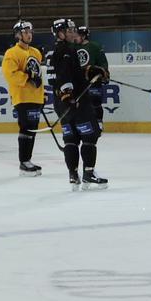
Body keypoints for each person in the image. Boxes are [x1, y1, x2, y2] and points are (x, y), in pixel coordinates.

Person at [50, 19, 107, 189]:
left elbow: (72, 72)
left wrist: (90, 71)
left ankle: (73, 175)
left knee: (71, 138)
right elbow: (64, 75)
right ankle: (88, 173)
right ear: (60, 33)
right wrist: (68, 95)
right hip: (75, 102)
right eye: (68, 30)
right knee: (90, 135)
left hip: (62, 103)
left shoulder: (59, 51)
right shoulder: (66, 51)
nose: (72, 32)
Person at [1, 20, 44, 176]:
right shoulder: (11, 53)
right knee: (26, 129)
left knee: (32, 130)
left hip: (35, 97)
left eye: (30, 32)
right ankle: (23, 162)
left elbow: (38, 75)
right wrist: (27, 78)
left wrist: (42, 94)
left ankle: (28, 160)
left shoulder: (36, 53)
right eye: (25, 32)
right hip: (22, 97)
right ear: (18, 35)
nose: (29, 35)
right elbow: (10, 74)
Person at [75, 24, 110, 130]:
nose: (75, 37)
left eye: (78, 35)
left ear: (84, 36)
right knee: (80, 105)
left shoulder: (95, 46)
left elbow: (103, 63)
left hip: (94, 81)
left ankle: (98, 122)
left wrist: (103, 73)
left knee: (95, 102)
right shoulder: (73, 47)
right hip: (80, 82)